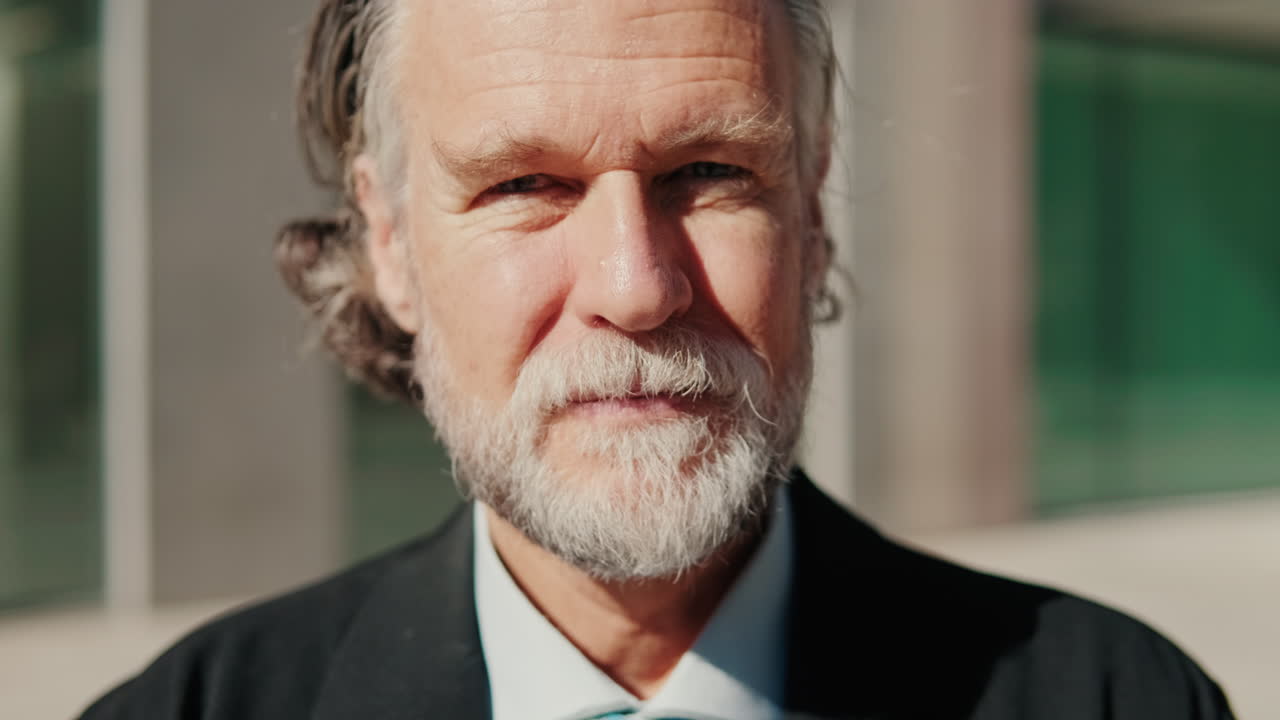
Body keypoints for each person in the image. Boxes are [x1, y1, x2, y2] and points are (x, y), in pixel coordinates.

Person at [81, 1, 1235, 718]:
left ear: (813, 211)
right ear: (388, 241)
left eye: (710, 173)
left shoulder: (1117, 699)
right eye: (526, 185)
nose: (636, 287)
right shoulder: (190, 710)